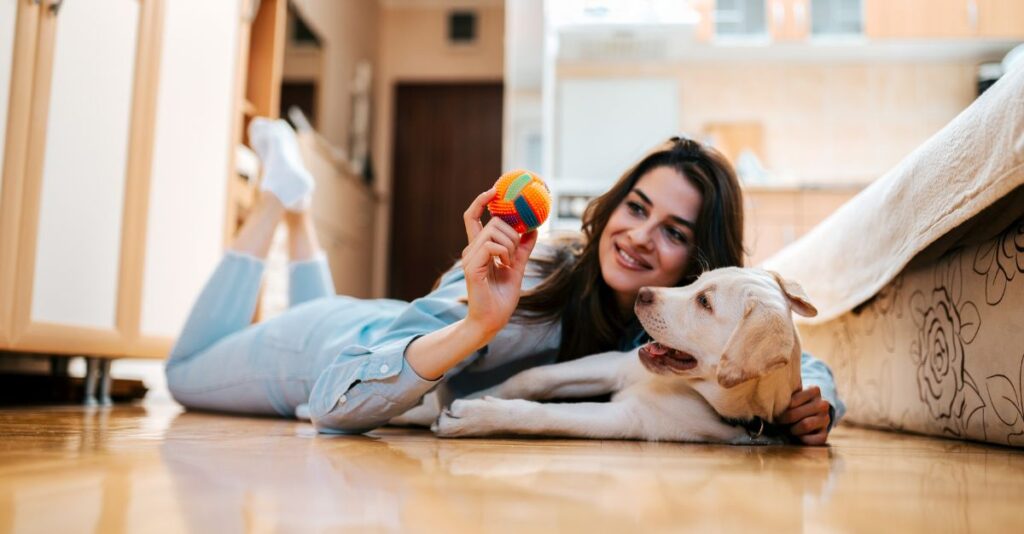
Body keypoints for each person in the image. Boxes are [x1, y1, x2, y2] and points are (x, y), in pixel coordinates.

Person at [166, 120, 844, 445]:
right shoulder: (536, 272)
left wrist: (818, 404)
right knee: (185, 372)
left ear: (700, 266)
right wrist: (479, 324)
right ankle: (274, 204)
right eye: (636, 208)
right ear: (611, 207)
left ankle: (300, 207)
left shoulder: (669, 326)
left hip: (366, 322)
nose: (640, 235)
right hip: (326, 351)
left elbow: (792, 355)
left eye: (673, 231)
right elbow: (333, 398)